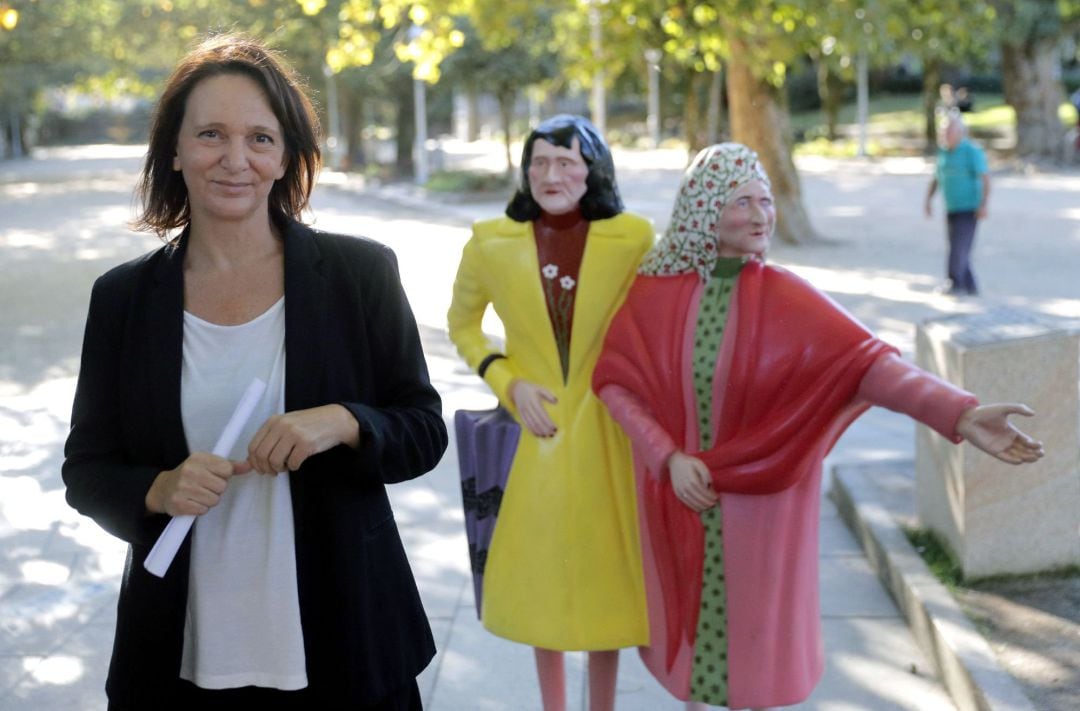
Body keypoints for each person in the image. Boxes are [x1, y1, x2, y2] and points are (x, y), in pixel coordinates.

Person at [62, 34, 447, 710]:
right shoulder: (123, 300)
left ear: (286, 155)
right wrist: (158, 488)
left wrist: (345, 421)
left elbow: (422, 429)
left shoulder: (361, 275)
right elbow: (87, 469)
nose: (235, 159)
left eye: (260, 138)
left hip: (344, 648)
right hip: (181, 656)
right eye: (210, 134)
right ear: (175, 151)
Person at [592, 143, 1043, 711]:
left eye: (765, 200)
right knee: (694, 653)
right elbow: (616, 383)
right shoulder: (655, 294)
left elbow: (873, 367)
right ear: (704, 208)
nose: (761, 215)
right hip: (679, 498)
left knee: (755, 652)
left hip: (761, 510)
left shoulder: (788, 297)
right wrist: (667, 457)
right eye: (742, 201)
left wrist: (959, 413)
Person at [447, 114, 653, 711]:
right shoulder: (490, 240)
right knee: (543, 584)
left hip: (609, 435)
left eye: (566, 162)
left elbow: (657, 327)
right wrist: (508, 382)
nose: (551, 174)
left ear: (593, 169)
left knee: (608, 582)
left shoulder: (635, 238)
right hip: (534, 437)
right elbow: (462, 324)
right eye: (539, 162)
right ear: (524, 170)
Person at [925, 114, 989, 296]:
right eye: (944, 131)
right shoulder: (944, 152)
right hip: (951, 207)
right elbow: (936, 178)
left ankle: (955, 284)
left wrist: (983, 205)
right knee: (958, 246)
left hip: (969, 208)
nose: (946, 134)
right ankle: (970, 285)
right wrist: (928, 200)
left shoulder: (971, 151)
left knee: (958, 248)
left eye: (950, 131)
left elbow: (985, 179)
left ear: (960, 132)